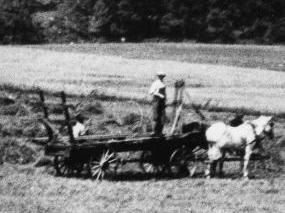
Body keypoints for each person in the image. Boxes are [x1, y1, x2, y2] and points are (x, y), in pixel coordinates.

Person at [149, 71, 167, 136]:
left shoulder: (163, 83)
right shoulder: (155, 83)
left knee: (162, 117)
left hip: (162, 101)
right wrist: (159, 95)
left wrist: (165, 100)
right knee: (156, 116)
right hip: (156, 101)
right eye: (160, 76)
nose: (161, 77)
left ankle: (160, 132)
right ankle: (154, 132)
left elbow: (164, 93)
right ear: (158, 76)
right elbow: (151, 92)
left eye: (162, 76)